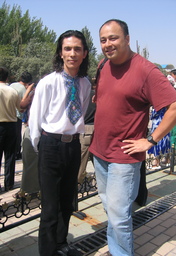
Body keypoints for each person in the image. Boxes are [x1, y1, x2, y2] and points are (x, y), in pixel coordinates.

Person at [89, 19, 176, 256]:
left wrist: (150, 140)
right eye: (103, 40)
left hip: (124, 155)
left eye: (113, 38)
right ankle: (116, 247)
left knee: (119, 213)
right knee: (110, 208)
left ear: (127, 39)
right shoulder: (103, 65)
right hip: (99, 151)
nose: (108, 44)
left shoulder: (145, 70)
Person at [28, 30, 91, 256]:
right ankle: (47, 251)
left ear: (84, 53)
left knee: (67, 202)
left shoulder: (85, 84)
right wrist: (42, 147)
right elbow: (35, 118)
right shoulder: (48, 82)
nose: (72, 53)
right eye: (67, 48)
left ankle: (61, 245)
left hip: (73, 145)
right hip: (51, 146)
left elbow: (81, 112)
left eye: (77, 49)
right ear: (60, 53)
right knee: (50, 208)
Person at [0, 67, 21, 192]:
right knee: (10, 156)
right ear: (7, 78)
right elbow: (20, 108)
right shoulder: (12, 91)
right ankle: (9, 183)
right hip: (11, 125)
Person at [10, 71, 33, 160]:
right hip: (17, 114)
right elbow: (24, 103)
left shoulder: (12, 85)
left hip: (9, 113)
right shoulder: (24, 90)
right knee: (17, 135)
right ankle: (17, 153)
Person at [78, 85, 96, 184]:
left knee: (81, 160)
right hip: (97, 128)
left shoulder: (82, 95)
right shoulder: (97, 95)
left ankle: (78, 183)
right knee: (98, 159)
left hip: (85, 129)